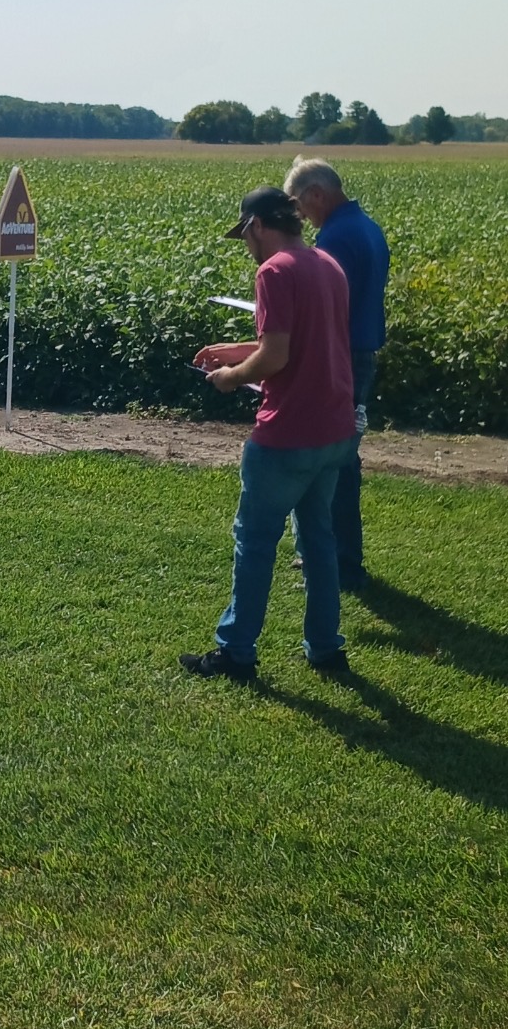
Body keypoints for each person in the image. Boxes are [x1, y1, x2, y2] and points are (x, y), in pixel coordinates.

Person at [181, 185, 356, 683]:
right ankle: (325, 648)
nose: (246, 245)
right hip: (334, 429)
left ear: (257, 225)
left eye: (245, 235)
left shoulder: (274, 270)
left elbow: (276, 358)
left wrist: (228, 378)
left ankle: (237, 651)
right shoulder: (327, 264)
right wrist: (233, 350)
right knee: (319, 539)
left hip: (288, 434)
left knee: (254, 541)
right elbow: (294, 343)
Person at [283, 158, 390, 591]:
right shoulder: (366, 226)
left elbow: (327, 306)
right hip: (361, 348)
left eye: (300, 206)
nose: (301, 218)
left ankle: (338, 558)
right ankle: (329, 552)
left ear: (317, 194)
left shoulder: (337, 238)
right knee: (341, 453)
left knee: (333, 457)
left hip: (342, 353)